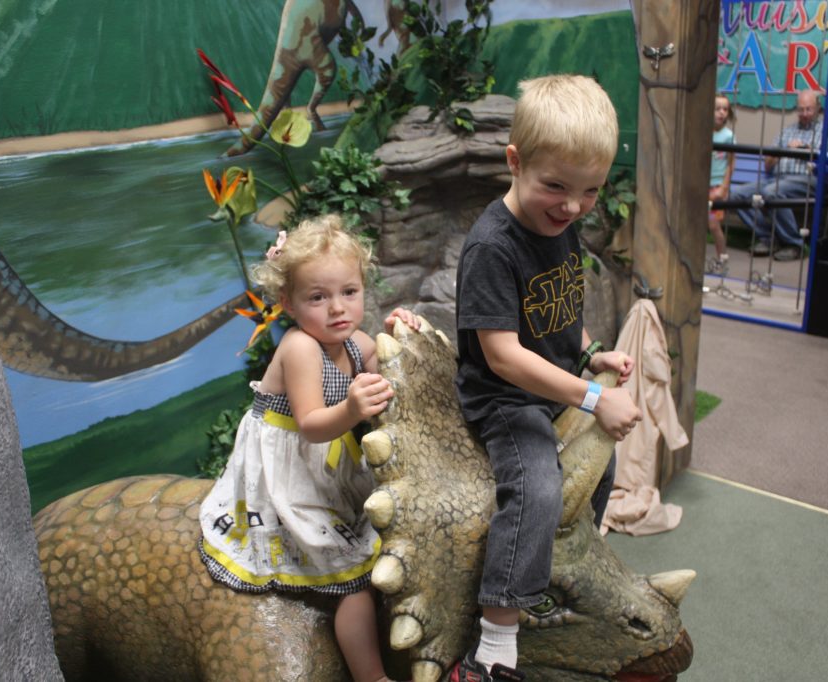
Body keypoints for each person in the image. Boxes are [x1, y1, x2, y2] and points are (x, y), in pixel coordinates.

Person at [450, 74, 643, 681]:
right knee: (538, 486)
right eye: (556, 186)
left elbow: (555, 313)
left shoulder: (561, 224)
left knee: (600, 465)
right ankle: (496, 642)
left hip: (554, 383)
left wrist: (591, 357)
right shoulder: (492, 248)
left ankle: (566, 562)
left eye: (590, 191)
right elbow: (504, 355)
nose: (573, 205)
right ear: (515, 161)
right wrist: (591, 396)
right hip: (505, 400)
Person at [198, 214, 419, 682]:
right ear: (289, 303)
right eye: (317, 297)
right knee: (354, 579)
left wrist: (402, 331)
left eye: (349, 293)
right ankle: (371, 675)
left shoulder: (354, 341)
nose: (337, 308)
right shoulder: (301, 348)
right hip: (290, 464)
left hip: (326, 462)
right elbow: (314, 425)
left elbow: (386, 360)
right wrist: (353, 410)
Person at [729, 89, 828, 262]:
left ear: (818, 108)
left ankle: (794, 244)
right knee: (736, 195)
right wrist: (782, 152)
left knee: (771, 192)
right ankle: (769, 238)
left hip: (810, 180)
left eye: (808, 109)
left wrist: (806, 150)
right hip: (776, 178)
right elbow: (768, 165)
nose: (804, 114)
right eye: (801, 109)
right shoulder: (786, 132)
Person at [707, 94, 736, 275]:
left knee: (713, 224)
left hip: (717, 186)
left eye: (725, 109)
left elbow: (731, 163)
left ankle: (722, 258)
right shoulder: (705, 132)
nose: (722, 113)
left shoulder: (728, 137)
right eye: (718, 109)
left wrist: (724, 188)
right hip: (703, 186)